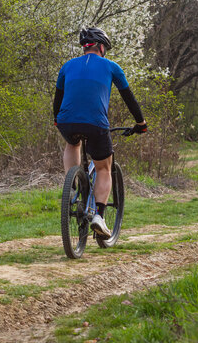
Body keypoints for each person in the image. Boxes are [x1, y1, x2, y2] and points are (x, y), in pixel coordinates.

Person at [53, 27, 147, 238]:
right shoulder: (111, 66)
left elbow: (57, 99)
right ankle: (99, 217)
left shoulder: (67, 66)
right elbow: (129, 98)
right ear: (102, 47)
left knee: (72, 143)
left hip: (66, 121)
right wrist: (140, 123)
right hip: (96, 123)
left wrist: (57, 120)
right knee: (105, 167)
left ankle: (73, 184)